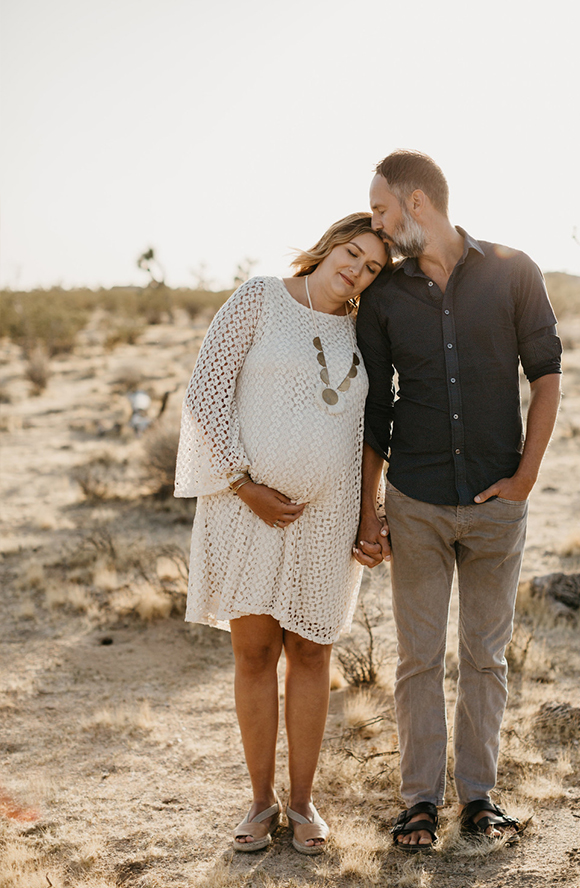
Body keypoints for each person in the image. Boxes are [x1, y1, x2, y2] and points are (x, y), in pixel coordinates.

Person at [353, 150, 562, 850]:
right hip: (415, 501)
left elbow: (547, 375)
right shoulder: (383, 297)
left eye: (382, 211)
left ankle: (478, 798)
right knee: (417, 658)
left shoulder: (514, 272)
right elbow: (377, 409)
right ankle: (419, 801)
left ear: (417, 204)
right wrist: (366, 510)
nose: (377, 226)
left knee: (485, 656)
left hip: (498, 501)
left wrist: (526, 478)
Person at [174, 213, 388, 855]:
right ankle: (260, 802)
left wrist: (366, 510)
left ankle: (303, 804)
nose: (356, 269)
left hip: (326, 519)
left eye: (372, 266)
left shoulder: (364, 332)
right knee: (255, 654)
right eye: (351, 253)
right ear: (327, 248)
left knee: (314, 653)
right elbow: (205, 395)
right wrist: (243, 485)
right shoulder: (261, 297)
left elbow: (373, 425)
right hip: (244, 511)